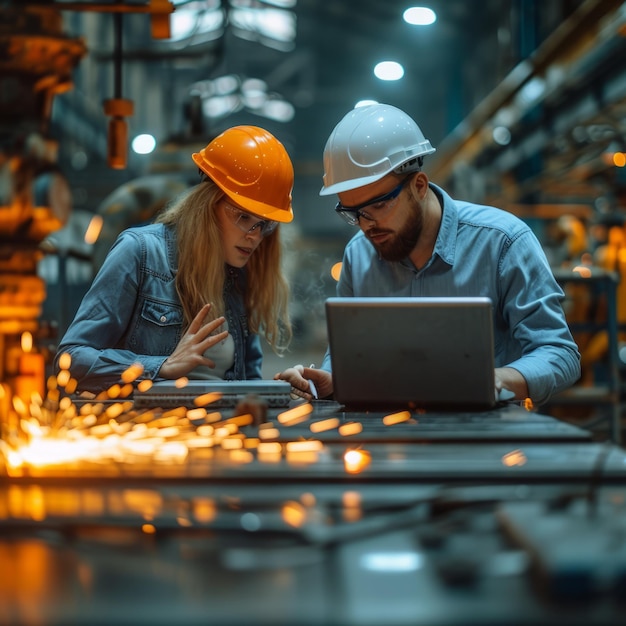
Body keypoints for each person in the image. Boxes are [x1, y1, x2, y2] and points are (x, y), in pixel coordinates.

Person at [277, 103, 581, 407]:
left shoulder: (502, 242)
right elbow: (347, 353)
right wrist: (331, 379)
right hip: (389, 437)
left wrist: (497, 379)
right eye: (353, 212)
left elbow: (559, 352)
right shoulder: (359, 256)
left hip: (486, 437)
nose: (367, 225)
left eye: (379, 206)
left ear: (419, 186)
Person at [55, 125, 294, 393]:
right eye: (243, 217)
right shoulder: (139, 252)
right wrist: (160, 366)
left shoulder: (240, 275)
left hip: (221, 430)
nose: (254, 236)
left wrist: (280, 389)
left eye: (264, 225)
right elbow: (71, 359)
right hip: (149, 428)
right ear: (207, 205)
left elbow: (247, 382)